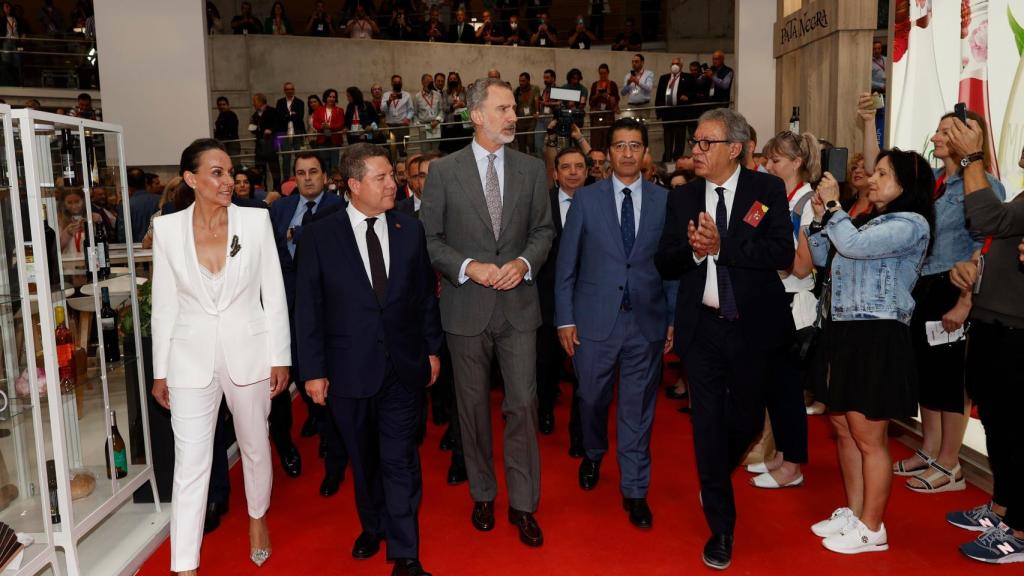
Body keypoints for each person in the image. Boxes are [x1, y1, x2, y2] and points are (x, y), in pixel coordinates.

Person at [655, 108, 795, 569]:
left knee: (748, 420)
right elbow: (665, 261)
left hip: (754, 329)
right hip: (703, 330)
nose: (695, 150)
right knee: (706, 425)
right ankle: (722, 527)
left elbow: (781, 252)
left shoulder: (766, 190)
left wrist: (722, 247)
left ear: (734, 149)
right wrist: (694, 254)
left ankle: (716, 469)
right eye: (695, 142)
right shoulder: (684, 197)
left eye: (704, 143)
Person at [420, 77, 555, 548]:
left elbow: (543, 231)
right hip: (465, 308)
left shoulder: (534, 169)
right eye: (503, 108)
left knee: (522, 406)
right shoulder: (443, 171)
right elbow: (431, 239)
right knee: (471, 409)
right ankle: (482, 491)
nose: (513, 116)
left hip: (519, 308)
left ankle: (523, 504)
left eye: (514, 108)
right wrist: (467, 266)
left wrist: (521, 263)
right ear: (476, 116)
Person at [296, 143, 442, 576]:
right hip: (347, 371)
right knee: (364, 459)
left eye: (392, 176)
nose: (392, 184)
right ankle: (372, 524)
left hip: (403, 366)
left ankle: (405, 555)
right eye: (381, 178)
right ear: (354, 185)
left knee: (399, 459)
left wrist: (432, 349)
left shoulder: (409, 229)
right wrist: (314, 371)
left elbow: (423, 298)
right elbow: (308, 307)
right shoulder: (321, 234)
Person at [151, 139, 290, 575]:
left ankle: (257, 519)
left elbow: (274, 291)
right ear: (191, 179)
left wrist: (279, 356)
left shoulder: (254, 222)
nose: (228, 180)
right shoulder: (167, 228)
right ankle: (184, 564)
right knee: (191, 462)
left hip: (249, 350)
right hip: (189, 359)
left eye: (230, 172)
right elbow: (164, 303)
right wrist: (160, 371)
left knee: (253, 444)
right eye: (217, 172)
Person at [806, 149, 933, 554]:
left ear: (906, 184)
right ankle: (856, 511)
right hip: (845, 330)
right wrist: (817, 218)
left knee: (869, 436)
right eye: (873, 171)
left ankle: (873, 528)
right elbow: (826, 255)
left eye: (882, 173)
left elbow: (854, 247)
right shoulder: (867, 220)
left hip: (877, 334)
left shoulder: (910, 223)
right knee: (844, 427)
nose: (872, 179)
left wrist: (833, 206)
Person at [556, 118, 670, 528]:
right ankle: (592, 451)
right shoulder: (586, 200)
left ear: (644, 153)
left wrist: (670, 319)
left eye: (634, 146)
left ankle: (635, 490)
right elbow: (565, 265)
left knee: (638, 410)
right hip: (592, 323)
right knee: (590, 399)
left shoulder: (663, 201)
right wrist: (564, 319)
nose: (626, 153)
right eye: (619, 145)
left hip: (645, 323)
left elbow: (670, 268)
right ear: (609, 152)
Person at [894, 109, 1005, 494]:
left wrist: (964, 302)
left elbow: (984, 247)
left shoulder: (984, 184)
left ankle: (950, 463)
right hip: (925, 285)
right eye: (938, 130)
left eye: (947, 130)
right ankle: (929, 451)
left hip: (953, 287)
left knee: (951, 379)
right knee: (929, 376)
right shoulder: (938, 182)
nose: (938, 136)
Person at [945, 130, 1024, 564]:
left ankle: (1020, 531)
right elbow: (998, 238)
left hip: (1016, 331)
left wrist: (974, 155)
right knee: (998, 425)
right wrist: (974, 264)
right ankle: (1001, 510)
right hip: (995, 323)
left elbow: (987, 220)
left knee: (1016, 433)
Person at [268, 152, 349, 495]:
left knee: (325, 378)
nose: (307, 178)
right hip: (284, 306)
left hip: (326, 308)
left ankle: (334, 446)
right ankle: (311, 430)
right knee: (296, 376)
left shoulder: (340, 208)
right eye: (300, 173)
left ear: (326, 176)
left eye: (313, 172)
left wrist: (298, 234)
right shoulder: (279, 210)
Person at [747, 130, 820, 489]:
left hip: (794, 302)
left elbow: (804, 265)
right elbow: (745, 234)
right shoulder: (767, 198)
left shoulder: (807, 203)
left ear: (797, 162)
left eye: (775, 160)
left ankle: (793, 464)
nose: (767, 165)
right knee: (773, 388)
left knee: (789, 389)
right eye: (766, 159)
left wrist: (771, 253)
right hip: (768, 299)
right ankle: (778, 456)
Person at [535, 147, 586, 441]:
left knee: (585, 371)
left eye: (579, 166)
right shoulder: (542, 204)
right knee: (546, 364)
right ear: (555, 174)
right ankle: (544, 411)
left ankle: (579, 430)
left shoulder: (599, 202)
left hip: (588, 301)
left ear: (587, 170)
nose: (573, 172)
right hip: (547, 300)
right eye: (565, 167)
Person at [655, 58, 690, 163]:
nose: (675, 65)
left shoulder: (687, 78)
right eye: (673, 64)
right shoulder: (664, 78)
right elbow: (659, 95)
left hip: (680, 114)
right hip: (667, 113)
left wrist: (687, 97)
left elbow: (692, 92)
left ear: (681, 66)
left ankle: (678, 159)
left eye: (677, 64)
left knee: (680, 138)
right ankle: (667, 159)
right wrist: (659, 111)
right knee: (668, 139)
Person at [250, 93, 282, 193]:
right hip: (260, 145)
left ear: (260, 101)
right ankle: (262, 191)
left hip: (271, 144)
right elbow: (253, 128)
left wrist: (270, 130)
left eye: (254, 102)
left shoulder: (272, 111)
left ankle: (276, 190)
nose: (253, 104)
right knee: (260, 169)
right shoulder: (255, 115)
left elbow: (278, 124)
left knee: (274, 169)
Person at [311, 88, 345, 175]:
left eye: (334, 97)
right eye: (330, 96)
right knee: (324, 164)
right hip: (322, 140)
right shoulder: (319, 110)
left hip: (335, 140)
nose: (332, 98)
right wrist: (322, 126)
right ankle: (326, 183)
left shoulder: (339, 110)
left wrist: (329, 126)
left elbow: (341, 124)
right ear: (326, 98)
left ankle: (334, 184)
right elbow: (315, 123)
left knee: (334, 165)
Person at [276, 82, 305, 180]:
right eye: (287, 89)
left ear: (294, 90)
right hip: (284, 132)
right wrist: (291, 114)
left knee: (299, 157)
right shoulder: (280, 102)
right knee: (286, 158)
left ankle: (299, 178)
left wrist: (287, 115)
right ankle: (286, 180)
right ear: (284, 91)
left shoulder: (300, 102)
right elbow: (279, 117)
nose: (290, 91)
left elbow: (299, 117)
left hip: (297, 131)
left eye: (291, 89)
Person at [588, 63, 620, 153]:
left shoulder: (612, 84)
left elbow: (616, 100)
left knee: (608, 140)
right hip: (597, 117)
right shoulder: (595, 85)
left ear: (608, 73)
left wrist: (607, 96)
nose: (602, 75)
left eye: (604, 73)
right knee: (596, 140)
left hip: (608, 116)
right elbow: (590, 102)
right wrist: (598, 95)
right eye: (601, 73)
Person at [128, 167, 162, 243]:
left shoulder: (127, 204)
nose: (159, 185)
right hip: (157, 244)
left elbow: (123, 234)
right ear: (146, 182)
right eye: (157, 183)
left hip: (135, 248)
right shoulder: (160, 200)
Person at [413, 74, 445, 153]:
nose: (430, 83)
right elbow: (415, 114)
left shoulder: (437, 95)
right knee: (425, 151)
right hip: (424, 127)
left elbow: (441, 110)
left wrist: (437, 120)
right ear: (423, 82)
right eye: (428, 81)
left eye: (431, 81)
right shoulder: (417, 97)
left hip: (436, 126)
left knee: (436, 151)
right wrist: (419, 126)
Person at [384, 75, 414, 157]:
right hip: (390, 126)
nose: (397, 83)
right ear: (391, 83)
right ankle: (393, 167)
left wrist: (407, 119)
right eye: (395, 82)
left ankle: (403, 167)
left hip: (403, 126)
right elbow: (382, 109)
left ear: (401, 83)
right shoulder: (386, 95)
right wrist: (389, 100)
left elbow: (411, 110)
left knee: (403, 150)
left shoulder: (407, 95)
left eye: (399, 82)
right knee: (391, 150)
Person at [621, 53, 655, 119]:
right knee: (632, 128)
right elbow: (623, 93)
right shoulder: (628, 76)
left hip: (644, 105)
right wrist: (628, 84)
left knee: (644, 127)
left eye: (636, 62)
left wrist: (638, 82)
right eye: (632, 62)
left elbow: (649, 88)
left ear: (642, 63)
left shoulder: (649, 74)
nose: (634, 63)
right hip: (631, 106)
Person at [514, 72, 541, 155]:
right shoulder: (517, 91)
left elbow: (537, 100)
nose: (521, 83)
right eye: (520, 81)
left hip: (531, 121)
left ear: (528, 80)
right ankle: (523, 161)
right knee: (521, 144)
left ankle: (533, 158)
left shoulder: (535, 88)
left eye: (523, 81)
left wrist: (537, 112)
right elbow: (514, 105)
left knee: (530, 141)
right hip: (520, 122)